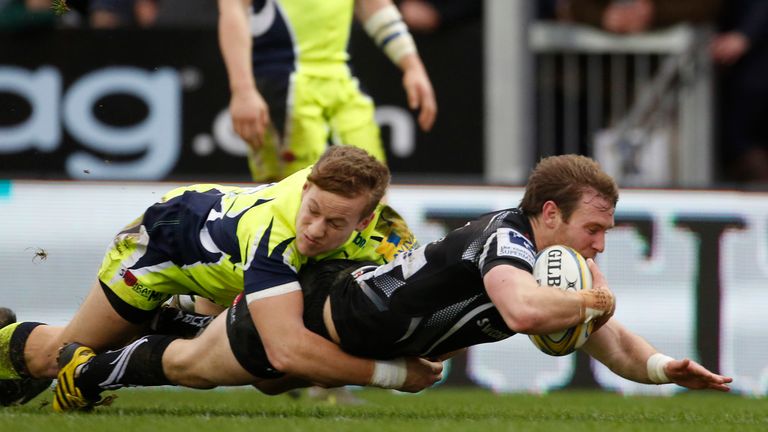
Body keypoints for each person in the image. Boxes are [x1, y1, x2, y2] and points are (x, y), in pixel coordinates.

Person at [52, 154, 731, 412]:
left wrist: (667, 367)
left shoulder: (564, 266)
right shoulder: (507, 239)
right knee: (201, 368)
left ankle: (158, 331)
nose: (600, 244)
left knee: (227, 365)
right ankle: (89, 374)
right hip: (330, 309)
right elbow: (525, 310)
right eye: (595, 228)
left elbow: (601, 336)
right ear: (550, 213)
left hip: (350, 310)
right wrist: (588, 298)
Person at [0, 146, 441, 408]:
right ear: (305, 189)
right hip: (161, 246)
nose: (315, 230)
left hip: (224, 271)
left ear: (366, 221)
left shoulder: (390, 238)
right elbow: (285, 352)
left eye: (335, 223)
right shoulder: (275, 235)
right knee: (58, 356)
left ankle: (177, 320)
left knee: (274, 376)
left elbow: (427, 300)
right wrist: (395, 376)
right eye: (313, 212)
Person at [218, 0, 437, 182]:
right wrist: (243, 89)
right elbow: (233, 10)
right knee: (297, 199)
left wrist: (412, 65)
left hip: (343, 82)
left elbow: (376, 7)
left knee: (372, 191)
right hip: (284, 88)